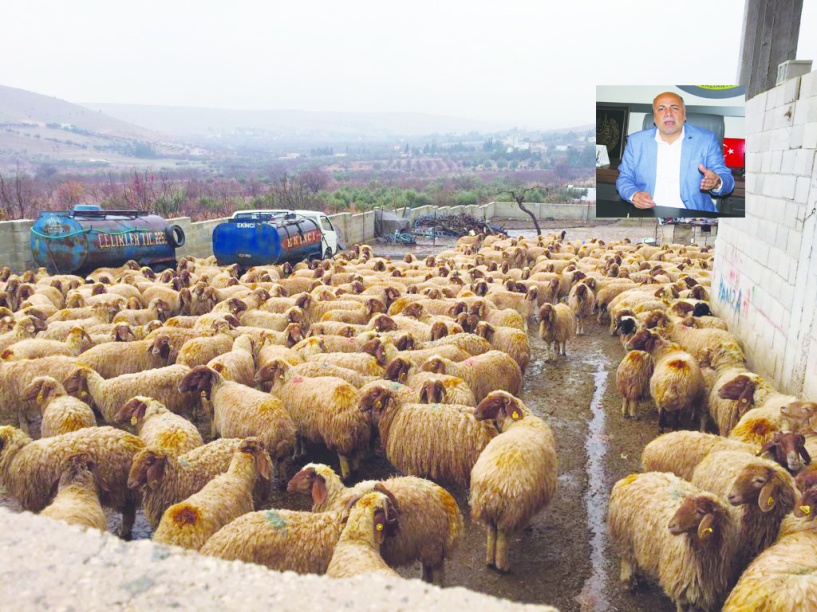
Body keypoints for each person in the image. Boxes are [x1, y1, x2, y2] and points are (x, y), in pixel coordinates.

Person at [615, 92, 734, 213]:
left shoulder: (705, 140)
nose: (668, 113)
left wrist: (716, 182)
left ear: (684, 115)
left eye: (675, 108)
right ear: (654, 118)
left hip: (692, 213)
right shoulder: (636, 142)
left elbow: (727, 179)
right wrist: (634, 195)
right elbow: (624, 178)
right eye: (661, 109)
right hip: (649, 211)